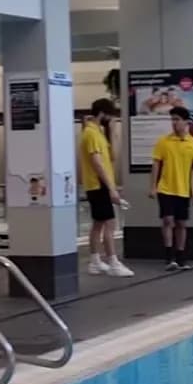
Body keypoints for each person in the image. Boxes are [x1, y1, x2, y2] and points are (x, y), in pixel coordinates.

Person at [79, 99, 133, 277]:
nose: (111, 119)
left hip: (98, 184)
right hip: (98, 184)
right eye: (110, 116)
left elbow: (111, 158)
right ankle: (113, 261)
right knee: (110, 223)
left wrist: (112, 131)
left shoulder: (97, 133)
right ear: (102, 113)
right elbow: (97, 163)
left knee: (99, 224)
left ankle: (95, 261)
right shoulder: (91, 133)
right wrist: (111, 188)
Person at [150, 105, 193, 271]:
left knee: (181, 223)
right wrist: (153, 187)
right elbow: (156, 165)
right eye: (172, 120)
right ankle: (169, 256)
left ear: (186, 122)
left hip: (183, 189)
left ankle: (181, 256)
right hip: (165, 188)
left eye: (177, 120)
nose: (174, 123)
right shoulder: (163, 142)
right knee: (168, 220)